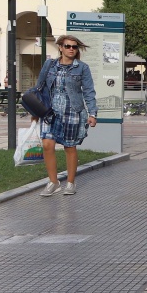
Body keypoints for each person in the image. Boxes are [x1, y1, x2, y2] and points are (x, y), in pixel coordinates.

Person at [34, 35, 97, 196]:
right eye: (67, 46)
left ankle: (70, 182)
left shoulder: (82, 68)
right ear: (60, 47)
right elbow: (39, 87)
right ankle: (53, 182)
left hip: (72, 110)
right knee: (47, 145)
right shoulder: (49, 65)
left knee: (69, 147)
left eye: (74, 47)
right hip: (50, 111)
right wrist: (35, 110)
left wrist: (92, 113)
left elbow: (89, 91)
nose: (71, 49)